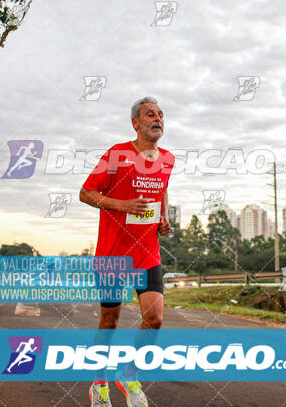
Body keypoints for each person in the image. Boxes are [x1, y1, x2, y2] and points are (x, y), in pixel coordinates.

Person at [79, 97, 175, 407]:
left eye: (160, 115)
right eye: (150, 114)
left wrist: (164, 215)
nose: (157, 119)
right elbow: (86, 193)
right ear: (136, 122)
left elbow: (161, 188)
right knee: (109, 322)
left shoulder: (168, 159)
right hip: (114, 254)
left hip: (148, 252)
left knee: (155, 317)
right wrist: (122, 205)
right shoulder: (116, 154)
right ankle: (98, 384)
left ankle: (129, 374)